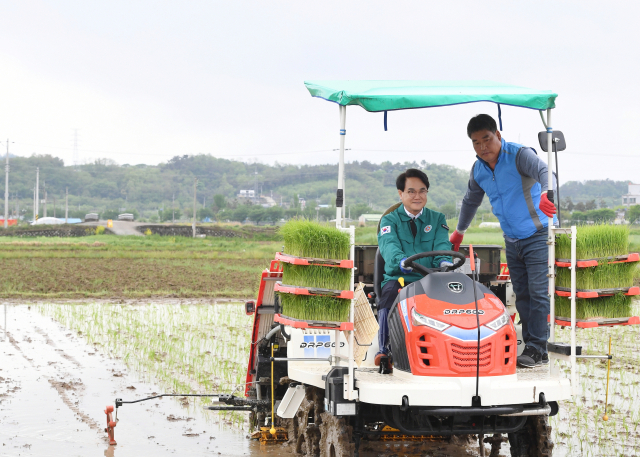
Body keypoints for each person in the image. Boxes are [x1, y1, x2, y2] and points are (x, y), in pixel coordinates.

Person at [450, 114, 557, 368]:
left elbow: (545, 171)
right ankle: (533, 346)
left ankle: (536, 347)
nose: (482, 147)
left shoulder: (519, 155)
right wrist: (460, 231)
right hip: (512, 239)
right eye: (476, 143)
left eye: (486, 139)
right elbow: (470, 201)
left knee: (539, 293)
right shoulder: (479, 170)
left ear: (498, 135)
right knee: (521, 293)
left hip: (537, 234)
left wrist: (544, 193)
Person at [375, 168, 452, 366]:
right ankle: (384, 349)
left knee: (454, 297)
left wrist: (444, 261)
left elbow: (443, 245)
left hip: (430, 279)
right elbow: (389, 246)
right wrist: (401, 261)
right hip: (400, 277)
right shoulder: (389, 220)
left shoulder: (437, 219)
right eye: (411, 191)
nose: (417, 196)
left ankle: (451, 348)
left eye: (422, 191)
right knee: (390, 294)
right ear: (401, 194)